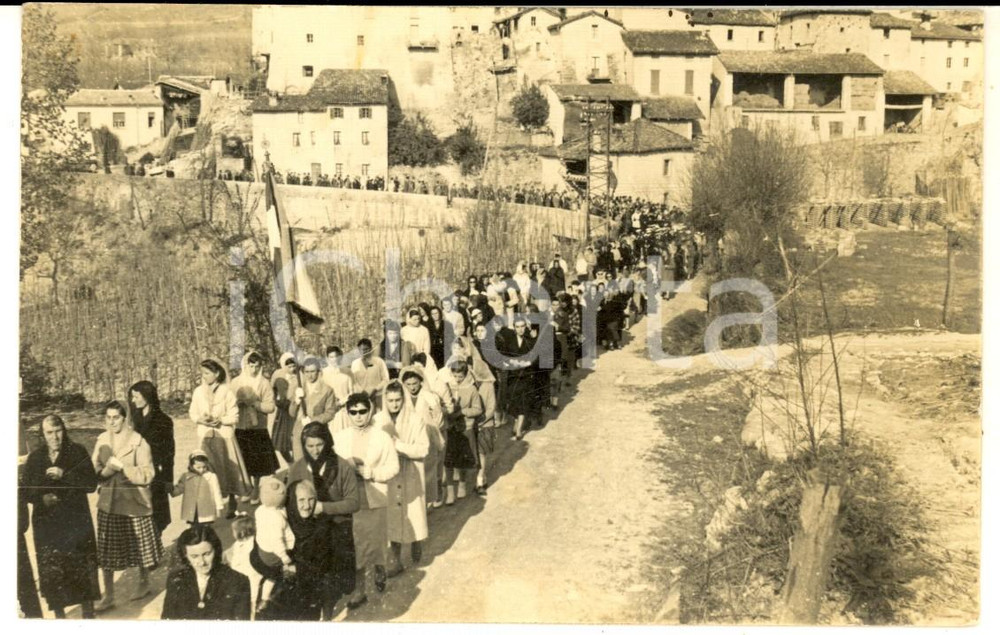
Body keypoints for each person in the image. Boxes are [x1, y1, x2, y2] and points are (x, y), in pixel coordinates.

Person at [24, 415, 100, 618]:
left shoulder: (77, 451)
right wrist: (42, 499)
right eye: (49, 433)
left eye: (58, 431)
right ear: (43, 434)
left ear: (64, 431)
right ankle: (59, 616)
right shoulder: (35, 458)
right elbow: (25, 491)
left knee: (81, 566)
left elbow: (91, 484)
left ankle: (88, 613)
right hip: (47, 524)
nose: (55, 437)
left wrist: (64, 474)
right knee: (54, 570)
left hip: (75, 520)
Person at [92, 400, 164, 611]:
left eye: (116, 417)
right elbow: (94, 469)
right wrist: (105, 472)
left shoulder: (138, 442)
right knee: (107, 551)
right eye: (108, 417)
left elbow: (148, 475)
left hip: (134, 503)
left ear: (125, 418)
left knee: (140, 547)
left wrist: (124, 468)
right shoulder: (102, 439)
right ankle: (109, 595)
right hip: (109, 502)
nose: (112, 422)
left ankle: (143, 583)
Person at [285, 422, 359, 619]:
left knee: (330, 580)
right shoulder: (297, 468)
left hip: (335, 528)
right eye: (310, 446)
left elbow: (353, 503)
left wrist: (324, 508)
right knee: (307, 579)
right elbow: (289, 501)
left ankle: (327, 614)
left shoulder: (341, 466)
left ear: (327, 442)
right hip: (306, 532)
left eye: (319, 445)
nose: (315, 451)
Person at [333, 394, 400, 609]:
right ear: (348, 413)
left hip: (376, 497)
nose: (359, 416)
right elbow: (334, 466)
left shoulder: (382, 437)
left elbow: (393, 468)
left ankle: (380, 568)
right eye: (353, 412)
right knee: (356, 546)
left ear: (370, 411)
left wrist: (371, 472)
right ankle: (359, 590)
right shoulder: (341, 437)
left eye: (363, 411)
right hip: (351, 501)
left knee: (377, 541)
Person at [376, 381, 428, 576]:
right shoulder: (378, 420)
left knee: (412, 511)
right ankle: (395, 559)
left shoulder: (415, 420)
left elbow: (423, 449)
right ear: (385, 400)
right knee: (393, 516)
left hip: (411, 472)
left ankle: (416, 541)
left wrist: (399, 446)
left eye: (398, 400)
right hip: (390, 475)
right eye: (390, 401)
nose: (394, 405)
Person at [190, 359, 252, 517]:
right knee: (206, 469)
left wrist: (221, 420)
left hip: (224, 436)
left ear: (216, 374)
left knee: (228, 468)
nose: (204, 376)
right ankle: (208, 504)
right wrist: (200, 419)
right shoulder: (198, 392)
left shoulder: (227, 391)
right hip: (205, 436)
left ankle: (232, 500)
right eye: (202, 373)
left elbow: (234, 416)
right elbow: (192, 413)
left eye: (207, 373)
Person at [162, 524, 251, 620]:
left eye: (207, 554)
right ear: (185, 556)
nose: (202, 562)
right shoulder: (176, 579)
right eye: (194, 556)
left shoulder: (238, 581)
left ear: (216, 550)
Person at [230, 351, 279, 504]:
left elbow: (270, 407)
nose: (254, 369)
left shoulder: (263, 383)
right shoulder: (236, 382)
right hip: (241, 426)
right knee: (244, 459)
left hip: (257, 427)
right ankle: (248, 487)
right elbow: (229, 402)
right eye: (251, 366)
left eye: (257, 366)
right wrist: (239, 402)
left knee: (257, 460)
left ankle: (256, 488)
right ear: (245, 365)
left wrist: (255, 404)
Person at [128, 381, 175, 537]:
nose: (133, 400)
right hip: (135, 473)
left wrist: (168, 479)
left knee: (156, 515)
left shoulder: (163, 421)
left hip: (156, 473)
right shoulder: (133, 419)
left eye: (136, 396)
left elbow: (169, 453)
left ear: (147, 397)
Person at [402, 366, 446, 509]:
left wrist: (433, 430)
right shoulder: (404, 399)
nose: (412, 387)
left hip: (429, 434)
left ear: (420, 382)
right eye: (408, 384)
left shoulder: (429, 396)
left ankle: (433, 495)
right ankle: (418, 500)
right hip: (412, 437)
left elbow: (438, 416)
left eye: (415, 384)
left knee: (430, 467)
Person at [439, 361, 484, 504]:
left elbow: (478, 409)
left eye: (460, 376)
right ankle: (450, 492)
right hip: (451, 427)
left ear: (466, 374)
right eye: (455, 375)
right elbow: (443, 403)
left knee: (462, 459)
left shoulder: (471, 389)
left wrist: (463, 412)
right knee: (449, 460)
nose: (457, 379)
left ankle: (462, 484)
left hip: (466, 428)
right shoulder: (448, 387)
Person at [253, 477, 295, 612]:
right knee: (277, 575)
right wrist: (285, 558)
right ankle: (267, 598)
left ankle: (264, 597)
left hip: (262, 549)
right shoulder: (276, 518)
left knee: (271, 576)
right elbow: (277, 541)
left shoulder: (260, 510)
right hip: (274, 554)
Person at [289, 357, 337, 464]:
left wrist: (312, 420)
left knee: (318, 464)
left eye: (312, 371)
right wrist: (296, 401)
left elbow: (330, 413)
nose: (309, 375)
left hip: (318, 432)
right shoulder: (299, 388)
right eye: (306, 372)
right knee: (300, 464)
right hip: (299, 431)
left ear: (318, 372)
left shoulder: (327, 390)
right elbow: (291, 413)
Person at [173, 450, 225, 525]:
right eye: (198, 467)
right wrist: (173, 491)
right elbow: (180, 488)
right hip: (192, 508)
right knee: (194, 527)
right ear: (191, 466)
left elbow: (217, 492)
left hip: (206, 508)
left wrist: (219, 507)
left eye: (204, 467)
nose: (201, 470)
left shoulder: (211, 476)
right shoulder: (186, 476)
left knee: (206, 527)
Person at [224, 517, 261, 612]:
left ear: (241, 532)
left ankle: (252, 608)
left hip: (249, 571)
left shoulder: (252, 542)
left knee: (252, 590)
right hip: (242, 571)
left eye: (233, 531)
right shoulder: (239, 543)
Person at [271, 353, 300, 464]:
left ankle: (298, 464)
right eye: (289, 367)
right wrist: (278, 401)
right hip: (284, 413)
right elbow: (274, 392)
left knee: (295, 441)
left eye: (294, 366)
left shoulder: (299, 377)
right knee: (282, 444)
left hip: (296, 411)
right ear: (284, 366)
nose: (292, 369)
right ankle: (291, 464)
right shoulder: (279, 377)